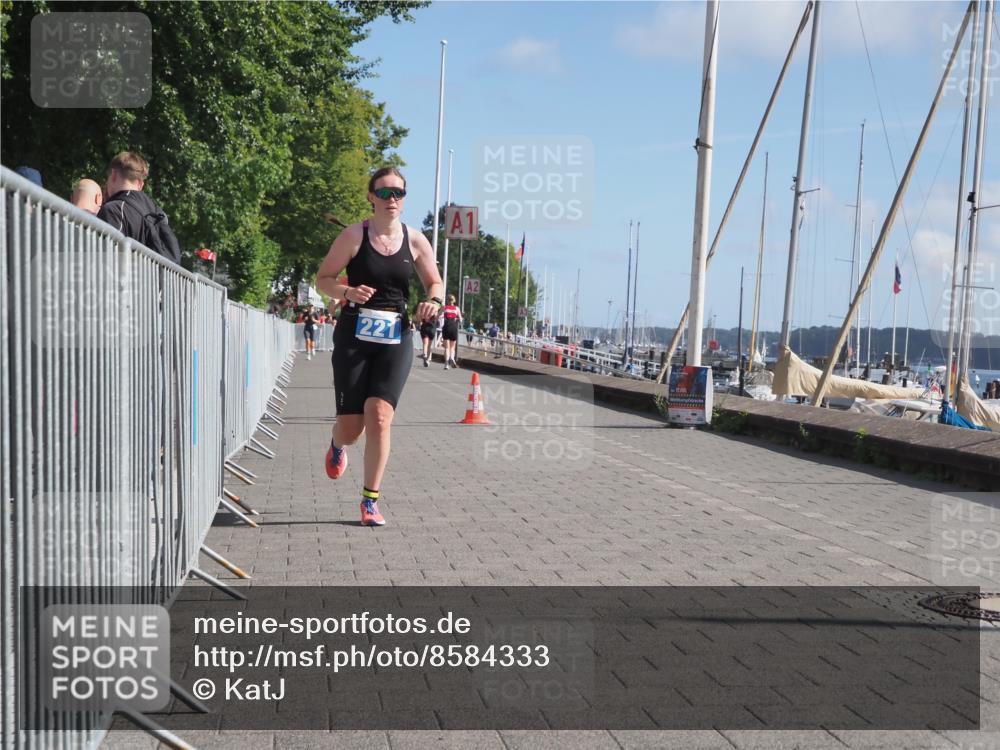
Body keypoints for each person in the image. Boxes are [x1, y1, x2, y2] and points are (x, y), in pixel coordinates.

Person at [315, 166, 442, 527]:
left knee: (381, 416)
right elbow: (323, 279)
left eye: (398, 193)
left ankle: (370, 501)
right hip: (355, 333)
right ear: (371, 197)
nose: (392, 199)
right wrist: (347, 292)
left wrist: (432, 300)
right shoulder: (354, 236)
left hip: (396, 335)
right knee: (352, 428)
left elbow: (435, 282)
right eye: (384, 193)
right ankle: (337, 444)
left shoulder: (415, 240)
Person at [97, 151, 182, 264]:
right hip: (158, 281)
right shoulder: (158, 213)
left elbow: (107, 261)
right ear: (141, 184)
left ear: (114, 175)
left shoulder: (114, 209)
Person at [440, 294, 462, 369]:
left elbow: (438, 316)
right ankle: (452, 358)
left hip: (446, 327)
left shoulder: (444, 307)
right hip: (453, 327)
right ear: (454, 300)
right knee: (452, 347)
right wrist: (457, 319)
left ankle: (446, 364)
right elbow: (461, 320)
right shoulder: (457, 308)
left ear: (447, 300)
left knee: (446, 347)